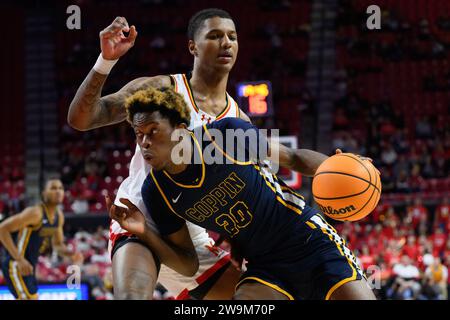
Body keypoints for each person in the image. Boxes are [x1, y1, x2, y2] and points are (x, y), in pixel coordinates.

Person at [67, 9, 332, 299]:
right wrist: (106, 61)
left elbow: (272, 173)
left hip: (190, 237)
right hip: (141, 214)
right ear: (192, 46)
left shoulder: (238, 120)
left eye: (232, 36)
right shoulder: (163, 89)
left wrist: (341, 165)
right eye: (215, 36)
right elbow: (83, 119)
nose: (226, 43)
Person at [108, 87, 376, 300]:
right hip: (264, 265)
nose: (144, 142)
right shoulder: (156, 192)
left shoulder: (224, 136)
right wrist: (146, 232)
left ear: (179, 131)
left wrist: (335, 166)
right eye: (138, 134)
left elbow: (292, 158)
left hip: (309, 240)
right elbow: (188, 265)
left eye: (153, 131)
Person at [0, 179, 82, 300]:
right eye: (53, 188)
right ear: (44, 193)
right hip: (16, 265)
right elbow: (2, 229)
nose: (58, 191)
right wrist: (20, 259)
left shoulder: (59, 216)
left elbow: (58, 245)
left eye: (60, 188)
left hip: (30, 266)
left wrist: (71, 253)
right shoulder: (35, 213)